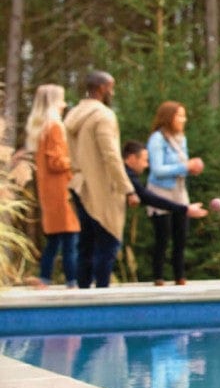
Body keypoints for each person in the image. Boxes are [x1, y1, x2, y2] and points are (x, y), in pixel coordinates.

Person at [65, 71, 138, 288]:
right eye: (111, 87)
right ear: (102, 88)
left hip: (78, 183)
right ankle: (102, 295)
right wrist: (128, 189)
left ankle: (83, 294)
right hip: (101, 186)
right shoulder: (103, 116)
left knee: (85, 244)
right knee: (108, 241)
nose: (113, 92)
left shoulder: (73, 115)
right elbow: (111, 156)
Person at [122, 140, 208, 285]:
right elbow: (148, 197)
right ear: (131, 158)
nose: (146, 165)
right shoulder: (127, 175)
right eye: (144, 160)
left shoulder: (129, 175)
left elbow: (144, 196)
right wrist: (185, 209)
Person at [23, 84, 80, 288]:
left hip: (48, 192)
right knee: (71, 240)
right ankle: (73, 281)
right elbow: (56, 162)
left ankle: (45, 278)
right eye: (62, 100)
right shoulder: (54, 127)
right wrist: (75, 162)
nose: (65, 105)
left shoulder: (39, 129)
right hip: (62, 190)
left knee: (54, 240)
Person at [146, 101, 204, 286]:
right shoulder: (157, 139)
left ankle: (180, 276)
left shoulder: (181, 139)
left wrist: (191, 168)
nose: (183, 119)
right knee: (162, 236)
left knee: (181, 235)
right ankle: (159, 277)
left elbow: (182, 165)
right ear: (169, 117)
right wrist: (184, 166)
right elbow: (157, 169)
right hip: (160, 192)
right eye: (179, 116)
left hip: (179, 191)